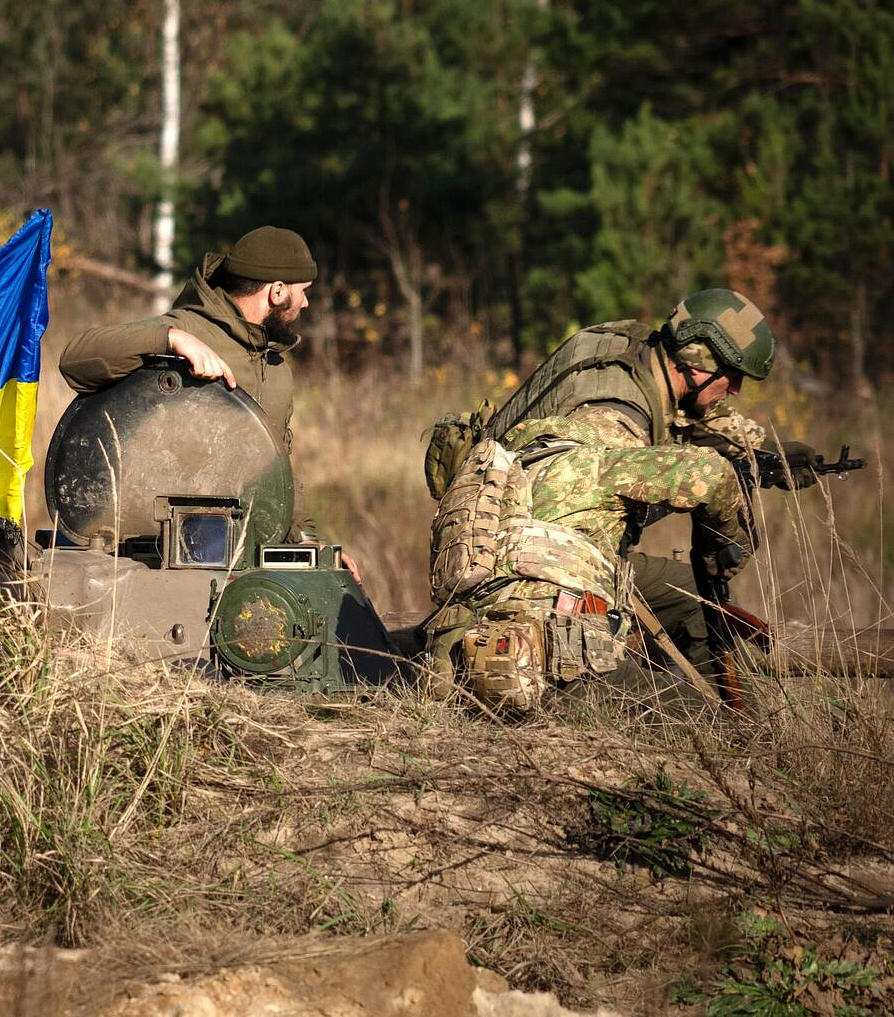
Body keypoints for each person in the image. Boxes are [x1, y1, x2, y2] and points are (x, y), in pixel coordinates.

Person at [426, 288, 803, 708]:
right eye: (732, 377)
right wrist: (722, 556)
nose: (734, 391)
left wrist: (763, 451)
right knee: (700, 717)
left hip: (499, 559)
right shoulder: (614, 423)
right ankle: (728, 720)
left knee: (690, 595)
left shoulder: (625, 355)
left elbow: (693, 418)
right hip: (541, 623)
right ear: (698, 361)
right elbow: (708, 477)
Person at [57, 226, 358, 578]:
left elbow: (278, 470)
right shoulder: (186, 330)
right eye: (303, 292)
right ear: (277, 292)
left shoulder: (277, 370)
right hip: (149, 560)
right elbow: (75, 361)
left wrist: (306, 542)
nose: (306, 303)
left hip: (236, 560)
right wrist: (171, 339)